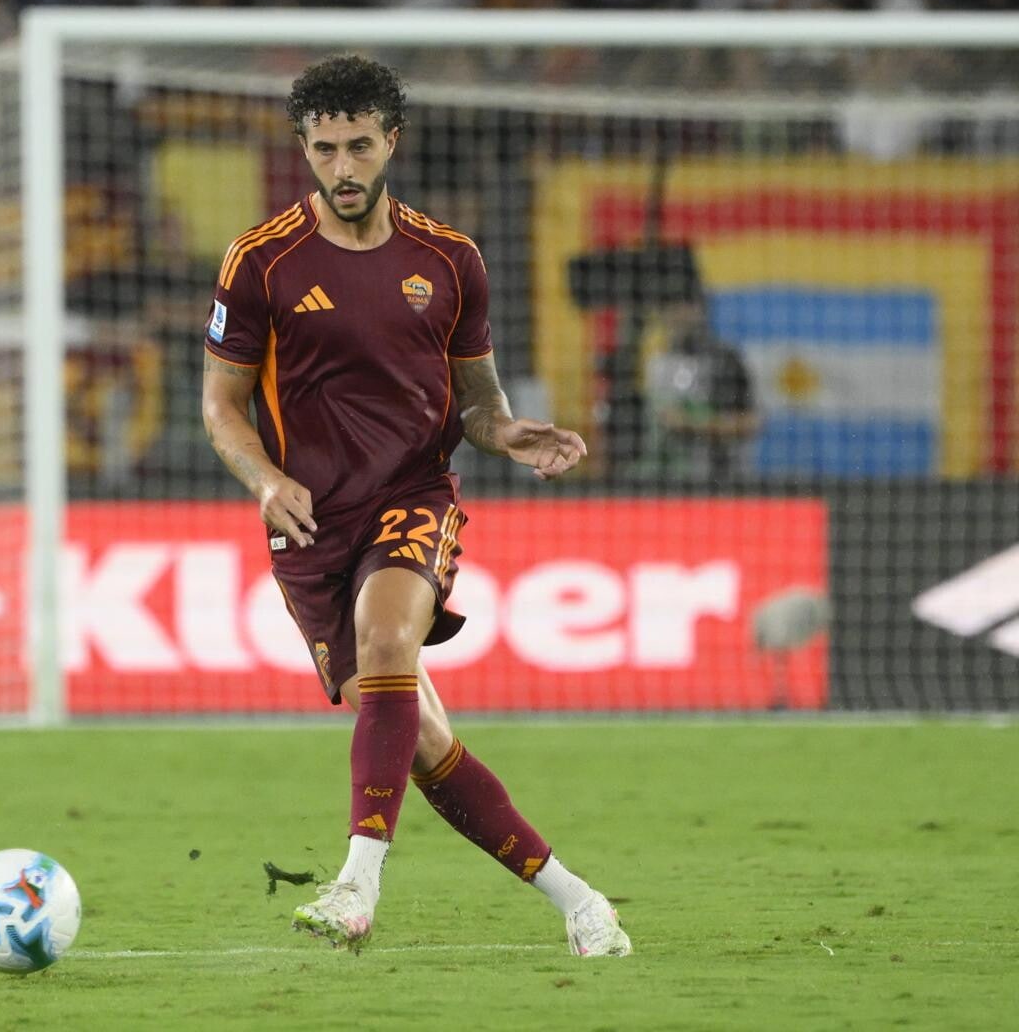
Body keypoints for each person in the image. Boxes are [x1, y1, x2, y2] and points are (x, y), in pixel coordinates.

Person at [200, 55, 630, 957]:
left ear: (393, 141)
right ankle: (581, 902)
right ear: (303, 149)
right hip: (309, 524)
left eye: (360, 146)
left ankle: (356, 887)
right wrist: (266, 481)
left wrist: (507, 433)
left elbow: (478, 404)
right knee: (422, 741)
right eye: (325, 150)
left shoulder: (450, 260)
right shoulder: (260, 260)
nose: (344, 167)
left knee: (390, 640)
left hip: (412, 496)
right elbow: (221, 406)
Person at [638, 291, 759, 482]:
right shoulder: (658, 362)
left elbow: (751, 422)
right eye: (670, 307)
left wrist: (691, 424)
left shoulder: (725, 360)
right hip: (667, 484)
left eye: (684, 306)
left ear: (700, 310)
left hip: (720, 481)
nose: (677, 314)